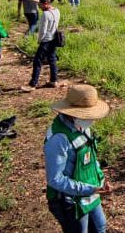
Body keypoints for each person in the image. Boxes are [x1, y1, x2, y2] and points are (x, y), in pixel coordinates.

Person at [45, 85, 111, 233]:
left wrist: (99, 178)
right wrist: (88, 189)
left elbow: (90, 157)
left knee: (100, 227)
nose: (91, 119)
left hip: (90, 192)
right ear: (72, 114)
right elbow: (55, 179)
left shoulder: (82, 126)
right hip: (70, 200)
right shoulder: (59, 138)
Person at [22, 0, 62, 91]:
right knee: (52, 59)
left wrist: (39, 40)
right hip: (54, 38)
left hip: (46, 40)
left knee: (37, 61)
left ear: (45, 4)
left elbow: (42, 30)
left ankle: (33, 84)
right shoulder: (57, 11)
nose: (38, 6)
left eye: (39, 4)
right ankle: (54, 80)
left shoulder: (45, 14)